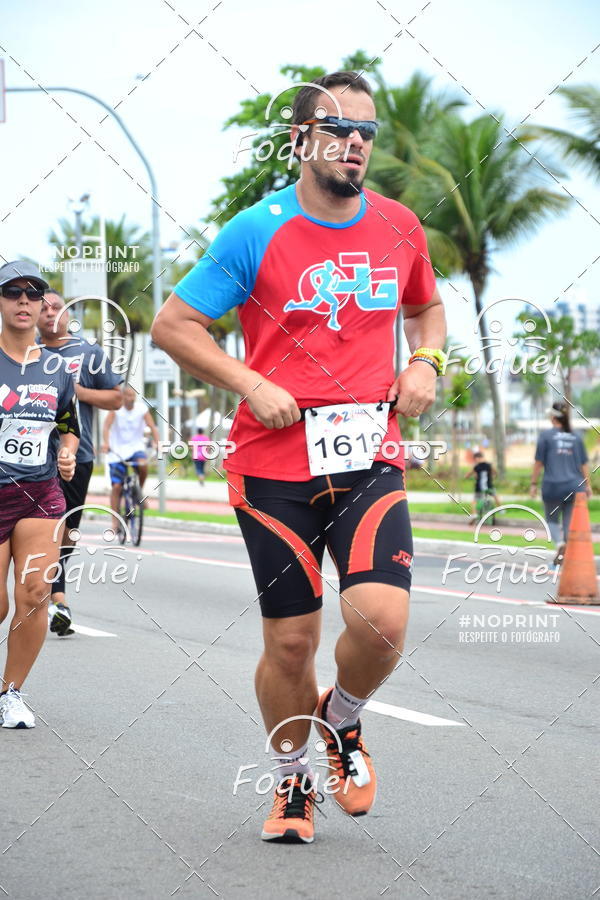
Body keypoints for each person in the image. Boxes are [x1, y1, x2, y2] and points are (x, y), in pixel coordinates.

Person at [152, 71, 447, 843]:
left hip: (367, 456)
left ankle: (340, 718)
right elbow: (175, 324)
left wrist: (427, 363)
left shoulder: (398, 226)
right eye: (338, 128)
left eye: (366, 132)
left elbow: (428, 308)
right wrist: (251, 381)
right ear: (299, 141)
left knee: (382, 622)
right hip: (272, 465)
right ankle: (291, 784)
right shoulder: (256, 230)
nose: (355, 142)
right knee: (291, 639)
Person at [0, 261, 79, 728]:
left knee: (34, 592)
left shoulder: (56, 369)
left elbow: (69, 426)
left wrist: (67, 451)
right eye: (13, 292)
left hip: (39, 492)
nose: (25, 301)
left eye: (34, 293)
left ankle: (10, 693)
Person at [37, 289, 123, 636]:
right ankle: (55, 595)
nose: (48, 312)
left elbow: (116, 397)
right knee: (38, 526)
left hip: (77, 454)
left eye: (55, 306)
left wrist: (72, 391)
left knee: (67, 528)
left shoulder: (88, 352)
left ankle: (53, 590)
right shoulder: (25, 353)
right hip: (31, 459)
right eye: (41, 307)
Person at [530, 401, 592, 564]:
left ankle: (560, 544)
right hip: (574, 486)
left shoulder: (545, 436)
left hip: (552, 486)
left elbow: (538, 463)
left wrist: (533, 484)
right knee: (567, 522)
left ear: (553, 417)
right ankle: (564, 553)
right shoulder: (576, 436)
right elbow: (583, 464)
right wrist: (588, 485)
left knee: (551, 520)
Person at [101, 385, 159, 532]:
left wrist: (157, 442)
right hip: (117, 451)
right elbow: (106, 426)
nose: (130, 398)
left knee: (143, 465)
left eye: (133, 395)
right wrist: (106, 443)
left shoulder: (141, 409)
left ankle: (138, 493)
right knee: (116, 487)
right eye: (127, 395)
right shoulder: (116, 409)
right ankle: (115, 521)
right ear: (122, 397)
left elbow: (152, 426)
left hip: (136, 448)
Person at [467, 450, 499, 522]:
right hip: (489, 487)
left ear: (476, 458)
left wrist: (468, 477)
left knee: (474, 502)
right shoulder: (489, 465)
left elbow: (469, 475)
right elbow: (495, 472)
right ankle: (500, 509)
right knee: (495, 495)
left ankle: (474, 514)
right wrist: (493, 477)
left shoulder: (476, 467)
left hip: (479, 488)